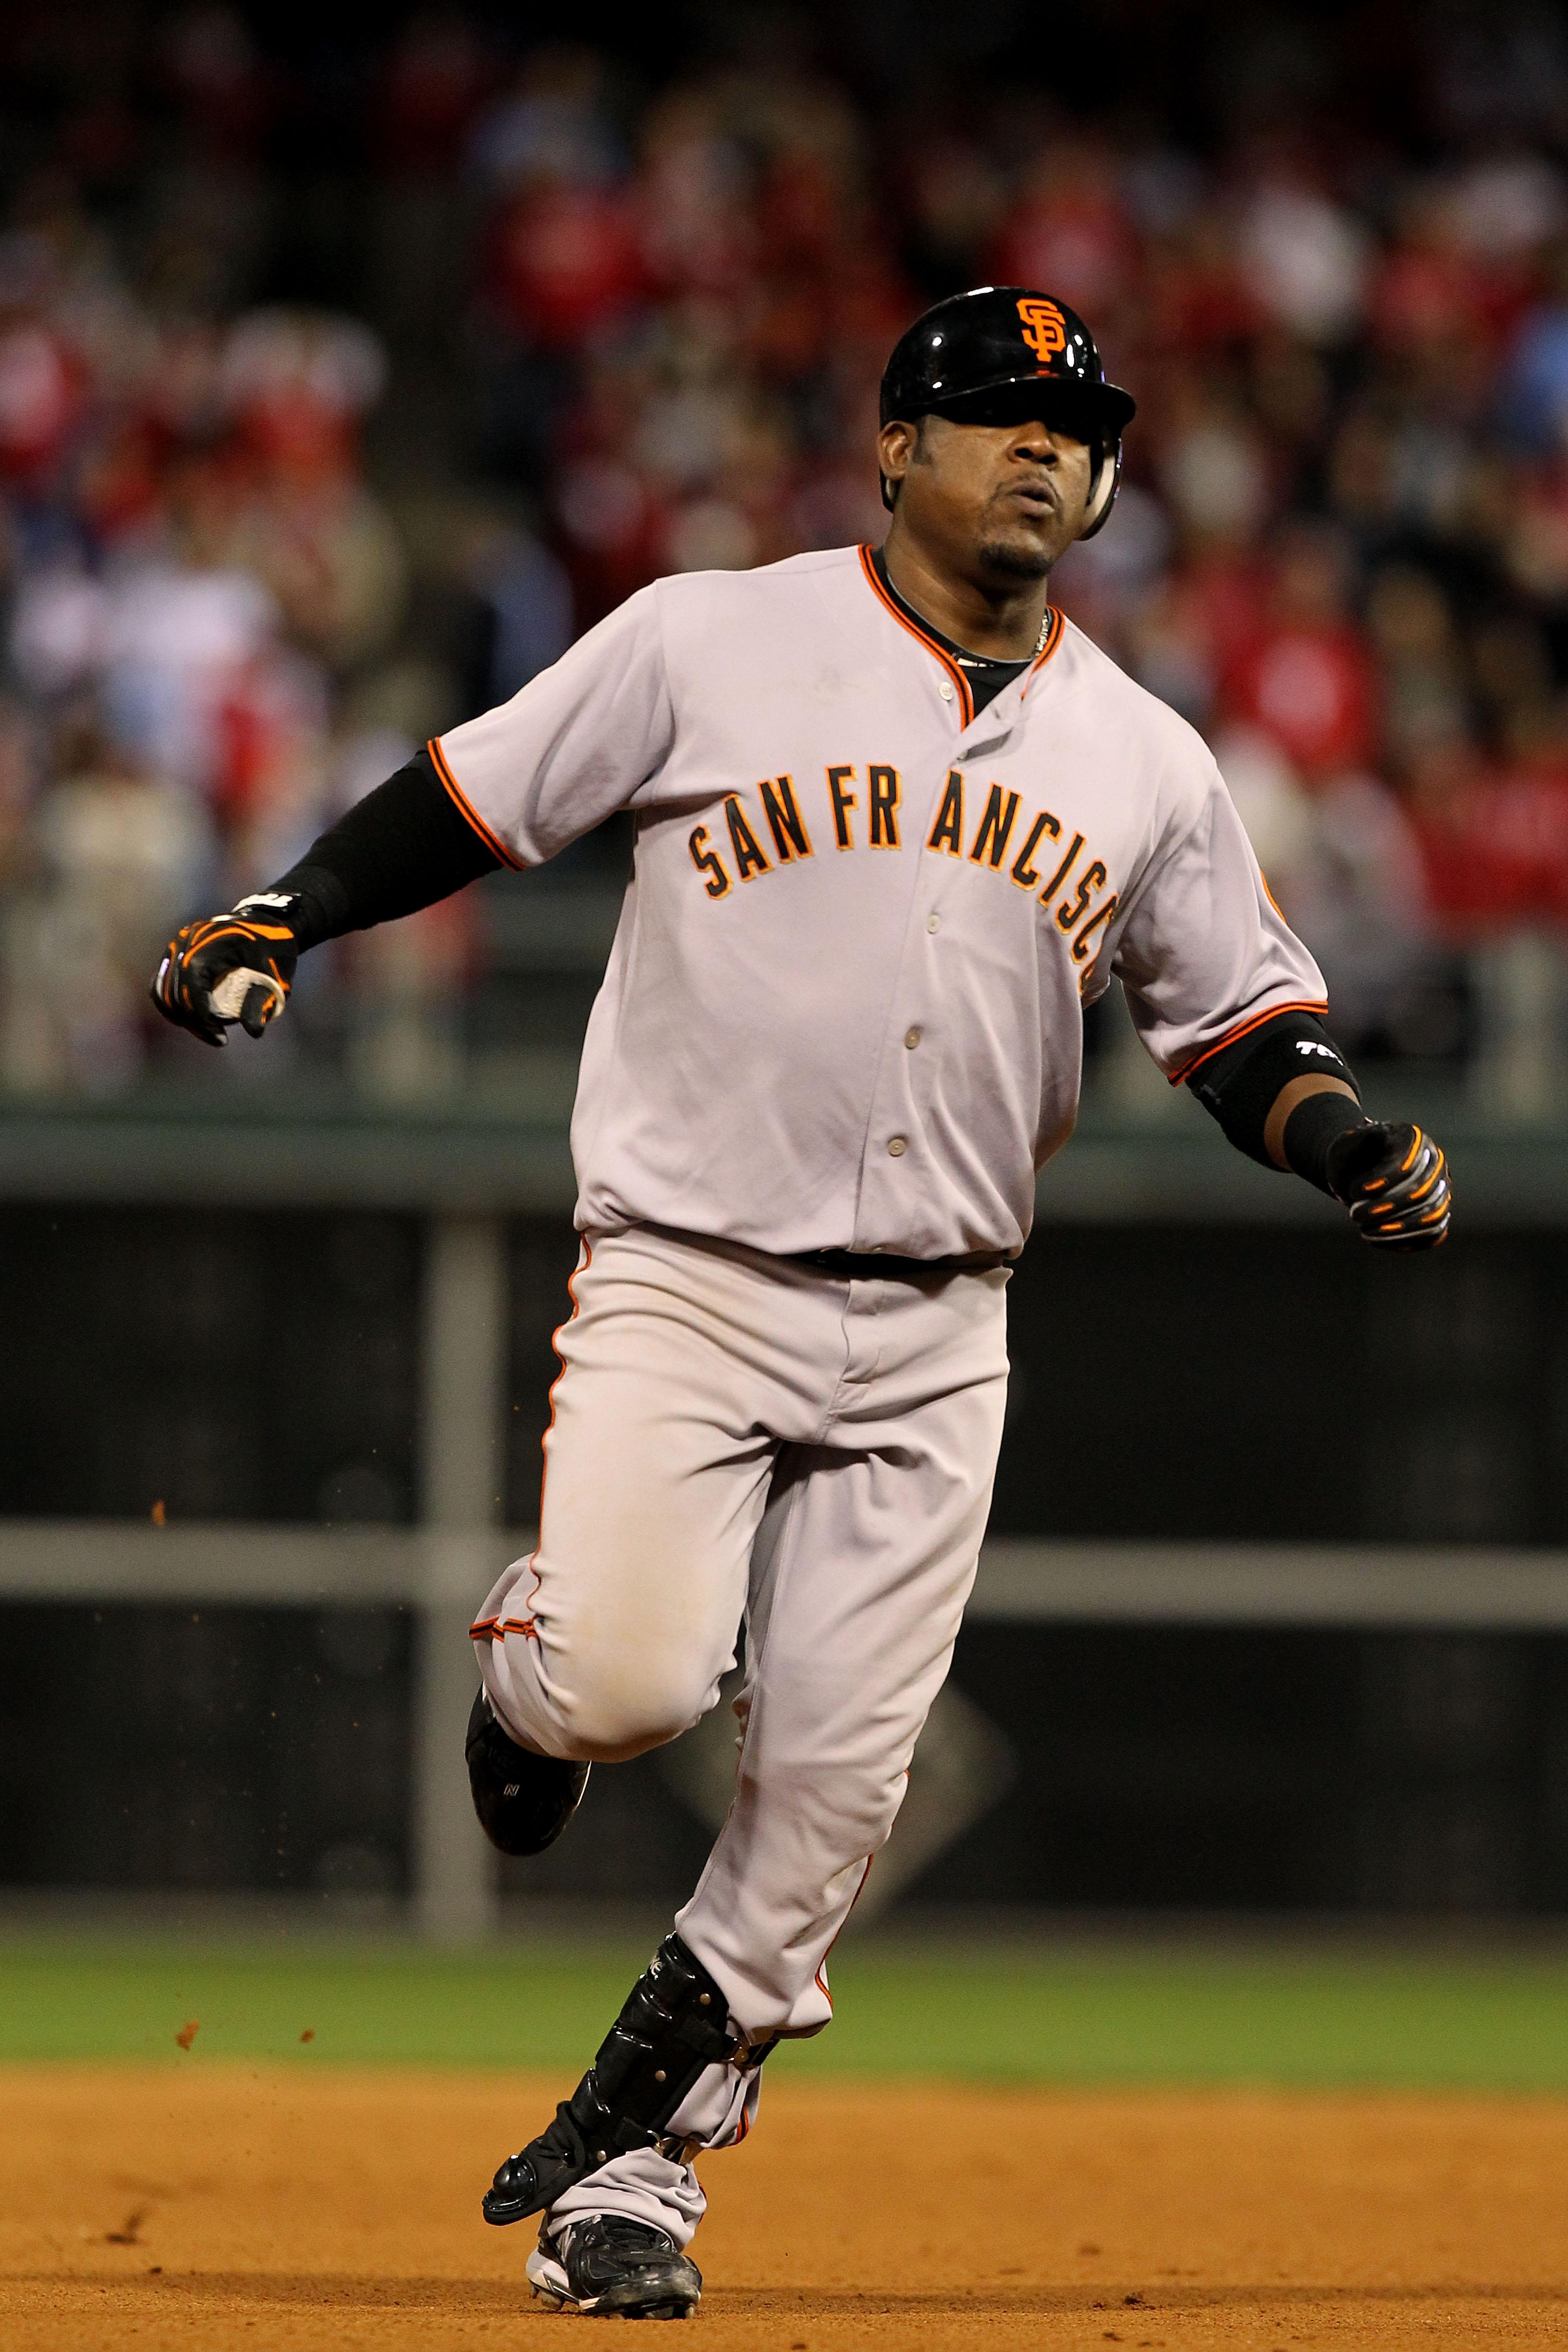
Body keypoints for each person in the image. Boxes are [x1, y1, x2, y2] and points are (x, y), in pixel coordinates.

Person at [150, 286, 1451, 2320]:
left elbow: (1242, 1023)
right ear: (893, 448)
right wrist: (279, 912)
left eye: (1077, 422)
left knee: (838, 1792)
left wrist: (1343, 1139)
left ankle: (641, 2186)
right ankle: (528, 1670)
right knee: (625, 1690)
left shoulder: (1144, 753)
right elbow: (476, 795)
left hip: (945, 1324)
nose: (1046, 446)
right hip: (691, 1270)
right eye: (999, 411)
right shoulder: (711, 636)